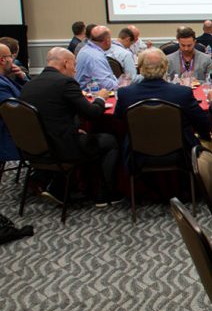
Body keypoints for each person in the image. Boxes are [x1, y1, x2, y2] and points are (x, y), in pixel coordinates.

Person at [18, 48, 121, 206]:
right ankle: (104, 194)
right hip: (61, 148)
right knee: (110, 141)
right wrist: (100, 98)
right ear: (65, 63)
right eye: (74, 64)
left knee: (84, 135)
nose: (75, 69)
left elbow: (51, 114)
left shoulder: (30, 83)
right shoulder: (65, 83)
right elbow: (92, 114)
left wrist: (73, 128)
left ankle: (59, 187)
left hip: (34, 148)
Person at [115, 48, 210, 158]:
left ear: (140, 69)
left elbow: (119, 121)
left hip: (137, 153)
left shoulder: (125, 93)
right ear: (165, 67)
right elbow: (203, 123)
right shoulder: (182, 93)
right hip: (180, 153)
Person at [0, 43, 25, 162]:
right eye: (10, 56)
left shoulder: (6, 78)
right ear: (2, 59)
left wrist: (22, 77)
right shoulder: (1, 84)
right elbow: (14, 112)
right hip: (9, 142)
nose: (13, 60)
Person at [75, 26, 118, 91]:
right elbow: (105, 84)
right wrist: (120, 85)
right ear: (107, 40)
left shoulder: (85, 49)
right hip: (91, 96)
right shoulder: (95, 57)